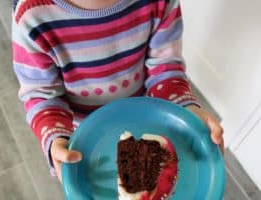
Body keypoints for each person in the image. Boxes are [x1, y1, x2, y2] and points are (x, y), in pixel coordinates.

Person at [12, 0, 224, 181]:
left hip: (145, 117)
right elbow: (41, 94)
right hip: (84, 136)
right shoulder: (31, 17)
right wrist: (56, 140)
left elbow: (165, 68)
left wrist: (185, 111)